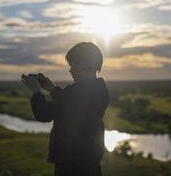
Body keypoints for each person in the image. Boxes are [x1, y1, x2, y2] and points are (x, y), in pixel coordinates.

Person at [21, 42, 110, 176]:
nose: (70, 70)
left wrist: (36, 92)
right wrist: (52, 89)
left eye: (72, 64)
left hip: (70, 165)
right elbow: (72, 106)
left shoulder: (74, 93)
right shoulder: (100, 90)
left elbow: (44, 114)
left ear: (84, 65)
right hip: (90, 164)